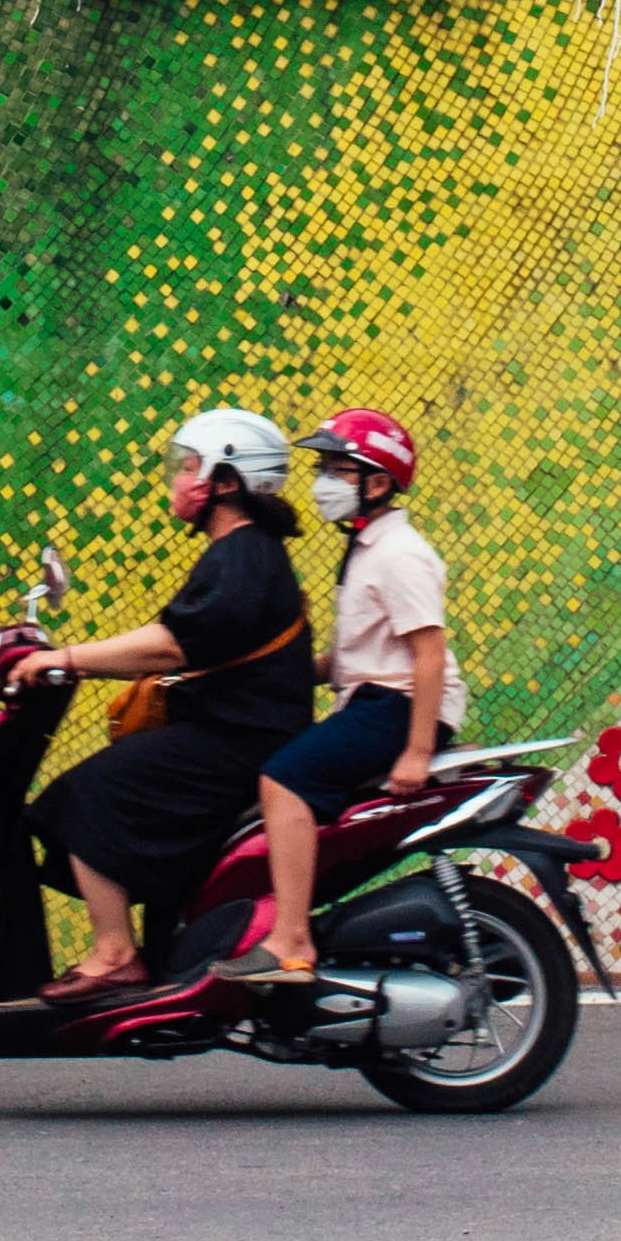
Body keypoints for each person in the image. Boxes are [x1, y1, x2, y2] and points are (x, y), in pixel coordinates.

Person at [5, 407, 318, 1005]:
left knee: (85, 793)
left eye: (193, 466)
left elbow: (172, 643)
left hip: (238, 744)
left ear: (228, 481)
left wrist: (65, 659)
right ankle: (161, 948)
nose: (180, 479)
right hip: (234, 734)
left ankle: (116, 955)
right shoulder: (243, 552)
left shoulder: (243, 555)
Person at [213, 407, 464, 983]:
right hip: (375, 698)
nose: (323, 481)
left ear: (378, 484)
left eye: (338, 469)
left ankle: (291, 943)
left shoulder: (401, 554)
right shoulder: (367, 548)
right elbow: (353, 659)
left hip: (396, 708)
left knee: (283, 779)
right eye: (323, 466)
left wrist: (417, 752)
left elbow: (428, 654)